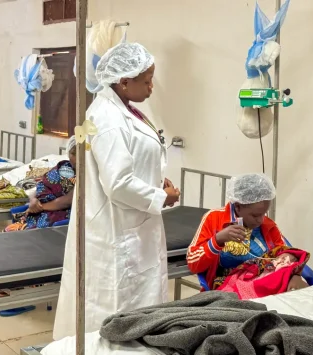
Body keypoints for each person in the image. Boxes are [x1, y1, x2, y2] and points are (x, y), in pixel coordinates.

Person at [53, 42, 180, 340]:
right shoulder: (108, 119)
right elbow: (118, 183)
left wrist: (153, 182)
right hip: (119, 230)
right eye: (146, 81)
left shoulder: (124, 109)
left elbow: (127, 162)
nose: (151, 88)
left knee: (137, 303)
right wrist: (163, 197)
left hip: (133, 223)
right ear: (124, 82)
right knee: (116, 306)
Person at [187, 173, 305, 292]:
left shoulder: (268, 226)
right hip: (228, 290)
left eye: (263, 214)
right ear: (238, 206)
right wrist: (217, 240)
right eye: (255, 215)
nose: (260, 220)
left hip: (264, 284)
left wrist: (295, 274)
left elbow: (285, 253)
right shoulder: (214, 219)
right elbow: (193, 263)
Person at [4, 136, 76, 232]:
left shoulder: (85, 175)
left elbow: (68, 201)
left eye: (79, 154)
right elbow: (41, 184)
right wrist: (33, 200)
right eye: (73, 153)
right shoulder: (63, 165)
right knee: (9, 232)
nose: (75, 158)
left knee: (24, 236)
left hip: (56, 214)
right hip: (40, 208)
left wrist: (39, 208)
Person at [217, 246, 309, 299]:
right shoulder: (265, 264)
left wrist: (294, 273)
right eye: (254, 215)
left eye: (288, 261)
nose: (283, 261)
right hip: (234, 279)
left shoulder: (271, 229)